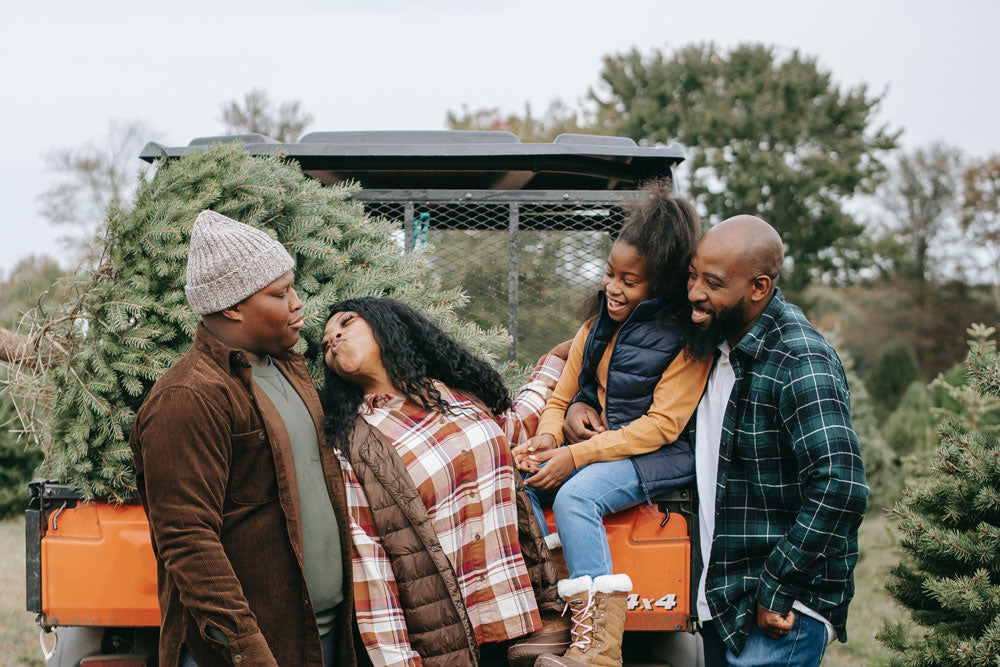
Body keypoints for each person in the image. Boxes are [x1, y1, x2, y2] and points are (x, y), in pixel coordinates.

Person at [129, 210, 354, 667]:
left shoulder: (288, 367)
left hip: (320, 634)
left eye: (293, 287)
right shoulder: (189, 397)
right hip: (253, 652)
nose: (297, 304)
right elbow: (187, 538)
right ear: (232, 305)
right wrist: (247, 650)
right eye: (280, 293)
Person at [514, 185, 714, 667]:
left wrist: (577, 455)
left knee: (576, 497)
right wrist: (548, 435)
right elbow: (564, 394)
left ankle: (599, 649)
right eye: (609, 274)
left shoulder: (685, 341)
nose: (613, 288)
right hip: (606, 447)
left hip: (656, 457)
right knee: (519, 488)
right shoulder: (596, 326)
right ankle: (556, 612)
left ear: (660, 285)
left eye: (630, 280)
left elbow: (663, 427)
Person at [320, 297, 572, 667]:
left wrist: (559, 358)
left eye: (346, 322)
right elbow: (370, 563)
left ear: (388, 324)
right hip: (449, 643)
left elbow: (521, 424)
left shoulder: (458, 395)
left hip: (523, 619)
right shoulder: (356, 444)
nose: (333, 338)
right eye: (326, 343)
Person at [685, 215, 869, 666]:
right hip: (726, 600)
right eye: (692, 275)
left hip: (779, 614)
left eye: (713, 282)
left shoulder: (799, 359)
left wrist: (778, 586)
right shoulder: (716, 344)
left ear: (759, 287)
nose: (694, 292)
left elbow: (841, 485)